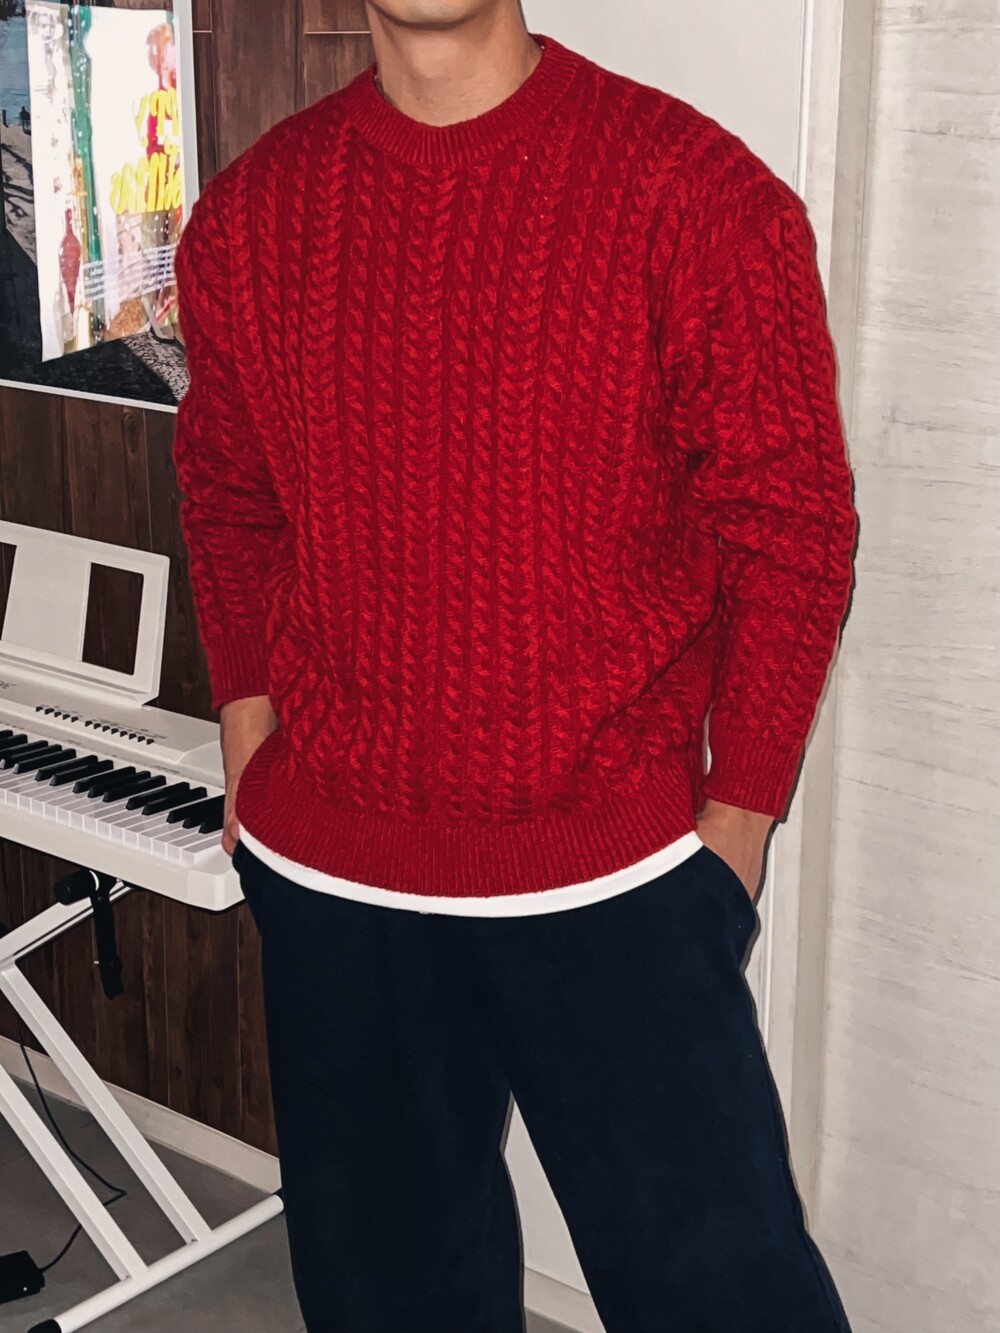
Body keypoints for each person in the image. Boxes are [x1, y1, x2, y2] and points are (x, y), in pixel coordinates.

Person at [172, 3, 859, 1331]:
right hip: (336, 884)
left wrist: (737, 824)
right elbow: (229, 494)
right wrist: (250, 744)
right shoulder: (253, 215)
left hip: (618, 880)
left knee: (729, 1300)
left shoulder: (698, 197)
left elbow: (794, 526)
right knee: (388, 1307)